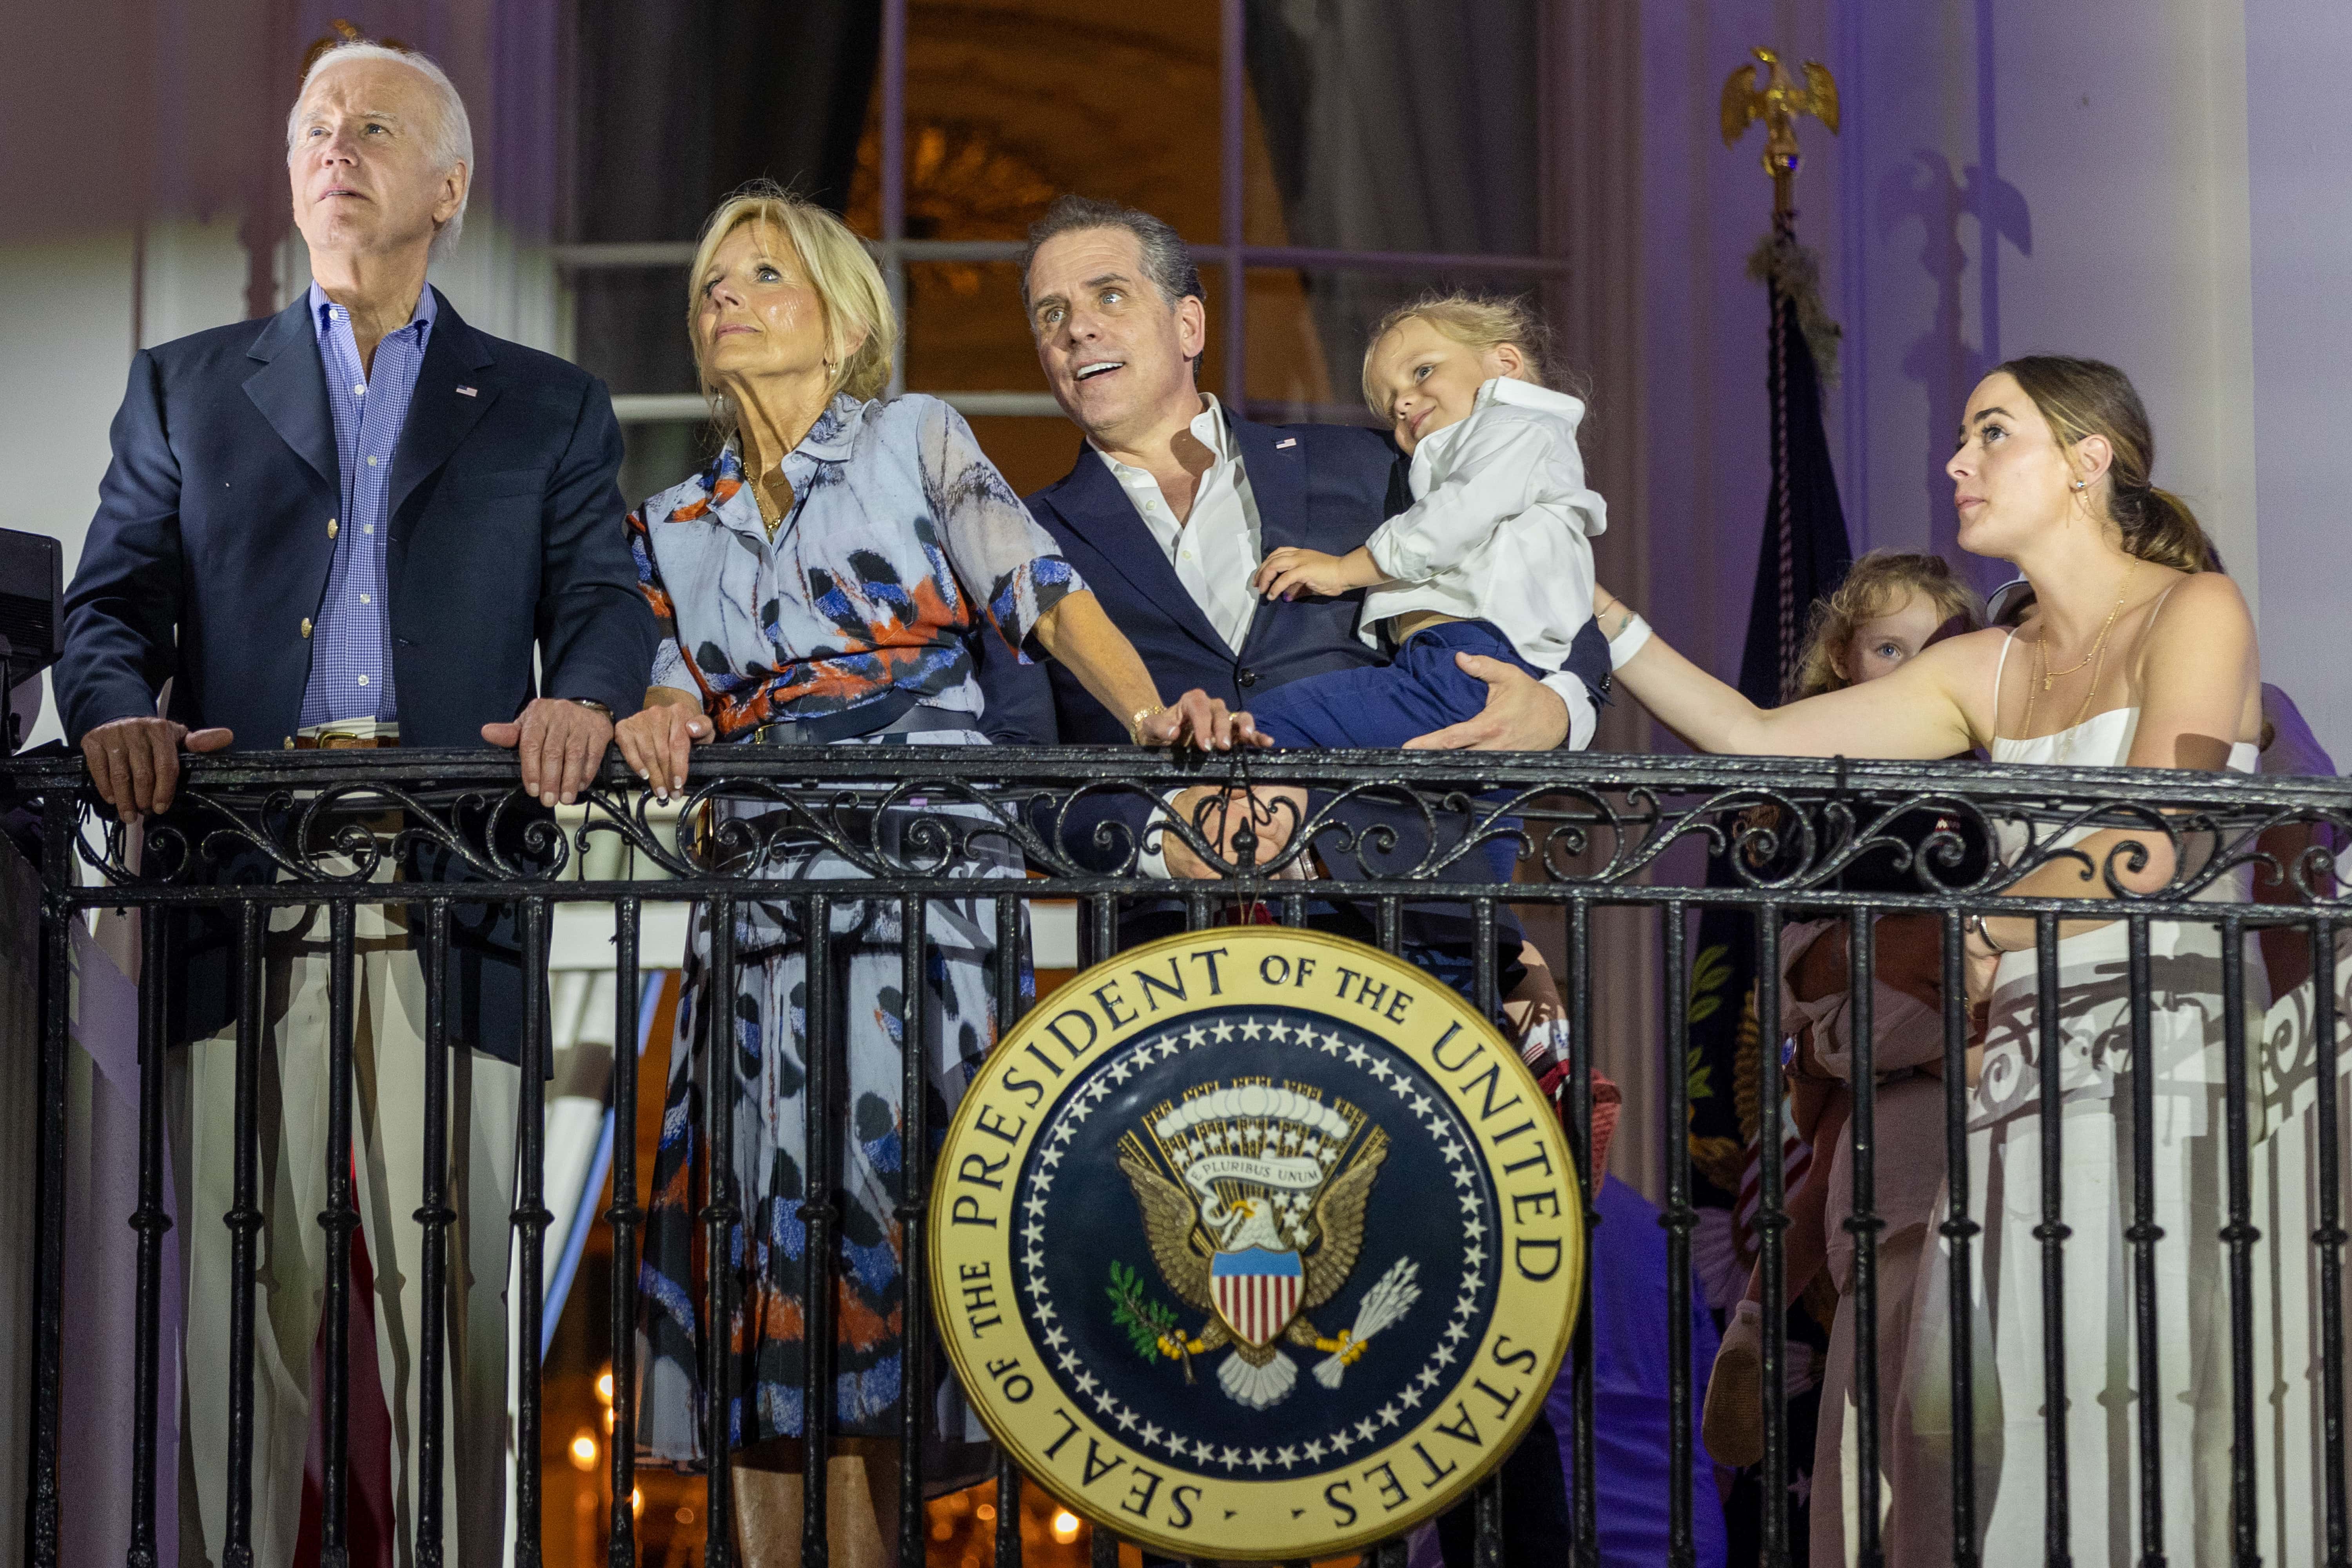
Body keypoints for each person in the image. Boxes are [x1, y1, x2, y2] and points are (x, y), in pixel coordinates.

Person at [52, 39, 657, 1567]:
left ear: (446, 189)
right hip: (239, 880)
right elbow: (108, 605)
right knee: (239, 1304)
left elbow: (601, 601)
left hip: (454, 883)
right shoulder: (185, 386)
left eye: (374, 127)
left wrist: (586, 697)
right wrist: (116, 711)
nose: (335, 146)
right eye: (315, 127)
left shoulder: (549, 405)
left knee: (466, 1312)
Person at [618, 185, 1238, 1568]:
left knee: (886, 1274)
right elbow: (660, 678)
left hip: (921, 916)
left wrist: (1151, 721)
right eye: (712, 281)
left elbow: (1044, 595)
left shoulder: (915, 438)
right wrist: (654, 713)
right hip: (758, 932)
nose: (724, 297)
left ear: (845, 324)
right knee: (759, 1289)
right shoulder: (669, 519)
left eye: (762, 275)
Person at [975, 194, 1578, 1567]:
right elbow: (1024, 774)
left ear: (1189, 321)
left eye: (1106, 297)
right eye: (1049, 314)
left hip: (1409, 943)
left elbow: (1547, 577)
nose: (1075, 331)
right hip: (1178, 1001)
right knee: (1209, 1398)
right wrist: (1158, 842)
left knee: (1471, 1356)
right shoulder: (1023, 536)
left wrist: (1560, 705)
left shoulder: (1357, 467)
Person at [1592, 356, 2263, 1563]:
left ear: (2087, 459)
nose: (1956, 461)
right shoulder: (1985, 664)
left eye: (1991, 432)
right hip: (2012, 1083)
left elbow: (2160, 834)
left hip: (2161, 1070)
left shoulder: (2194, 608)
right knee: (1991, 1432)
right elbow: (1752, 735)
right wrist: (1594, 614)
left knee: (2132, 1416)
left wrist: (1980, 927)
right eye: (1960, 435)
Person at [1691, 551, 1985, 1567]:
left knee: (1829, 1142)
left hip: (1895, 1044)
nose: (1914, 668)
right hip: (1886, 1033)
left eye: (1936, 650)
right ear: (1844, 664)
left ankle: (1757, 1317)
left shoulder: (1979, 777)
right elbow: (1814, 948)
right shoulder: (1838, 787)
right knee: (1833, 1128)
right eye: (1889, 650)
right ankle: (1758, 1317)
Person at [1241, 293, 1613, 750]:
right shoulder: (1487, 450)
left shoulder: (1521, 428)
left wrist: (1341, 571)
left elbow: (1453, 519)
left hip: (1472, 661)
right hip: (1445, 662)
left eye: (1422, 372)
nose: (1402, 403)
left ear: (1506, 364)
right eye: (1389, 406)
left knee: (1268, 724)